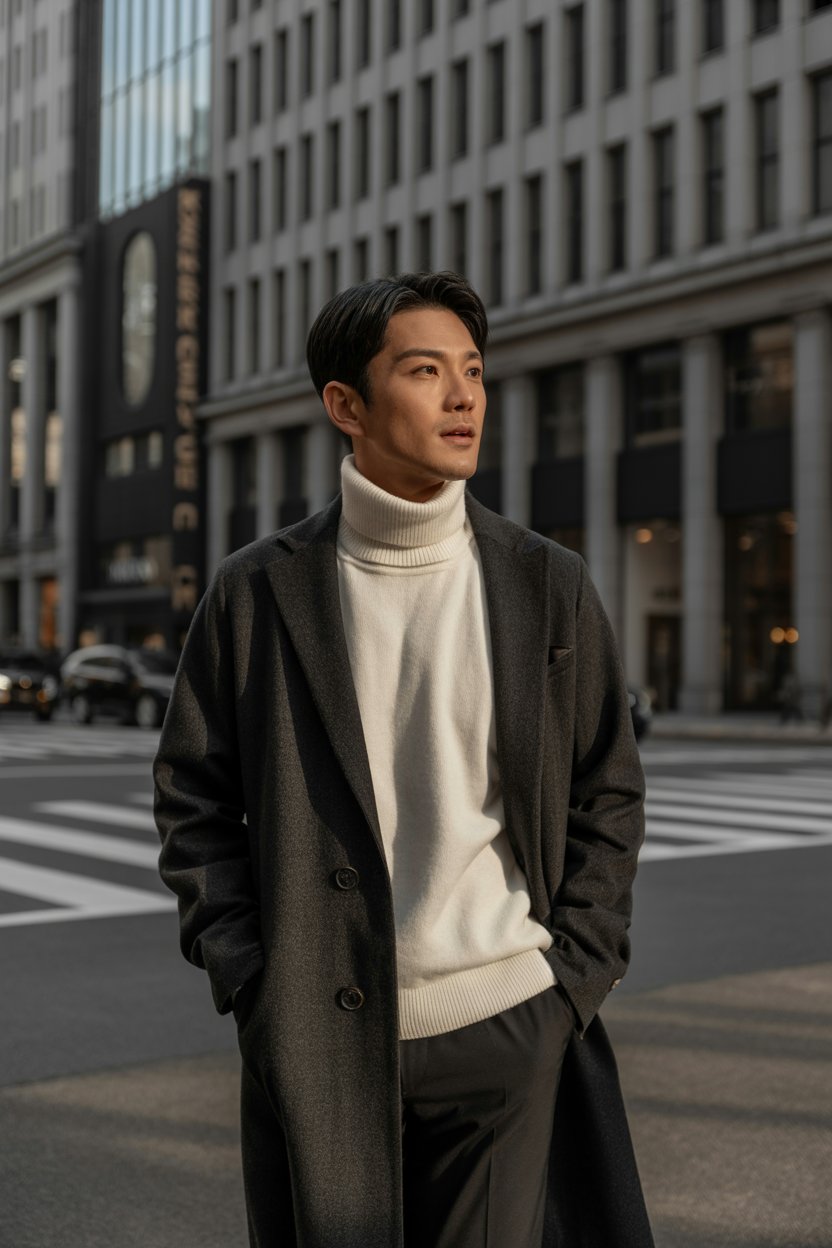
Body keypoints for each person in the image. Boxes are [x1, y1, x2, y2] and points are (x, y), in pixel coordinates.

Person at [154, 272, 653, 1248]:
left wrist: (573, 980)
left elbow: (609, 784)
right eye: (426, 372)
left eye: (473, 371)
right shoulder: (257, 591)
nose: (464, 397)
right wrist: (250, 977)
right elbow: (193, 797)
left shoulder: (545, 582)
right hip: (317, 1034)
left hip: (507, 1019)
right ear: (346, 405)